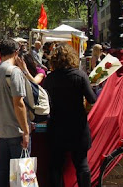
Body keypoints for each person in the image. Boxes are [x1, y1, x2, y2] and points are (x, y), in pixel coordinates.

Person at [41, 43, 96, 187]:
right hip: (78, 126)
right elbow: (92, 99)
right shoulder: (80, 76)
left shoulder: (50, 79)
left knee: (56, 165)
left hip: (57, 126)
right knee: (81, 164)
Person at [0, 39, 30, 187]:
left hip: (2, 130)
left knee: (3, 170)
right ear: (16, 53)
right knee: (21, 174)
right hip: (16, 130)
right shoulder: (13, 72)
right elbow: (19, 104)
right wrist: (26, 131)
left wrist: (0, 113)